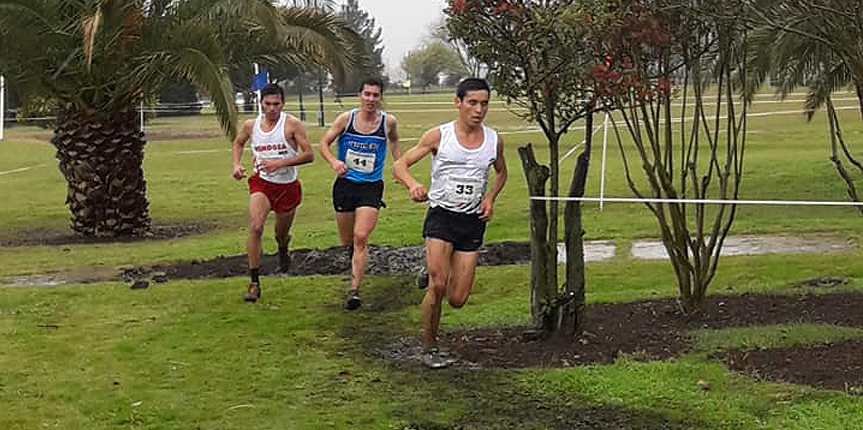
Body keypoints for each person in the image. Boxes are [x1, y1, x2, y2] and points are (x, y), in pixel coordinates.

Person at [392, 78, 507, 368]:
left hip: (471, 221)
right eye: (472, 102)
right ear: (458, 102)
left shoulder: (494, 140)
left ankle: (429, 268)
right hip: (441, 216)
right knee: (439, 285)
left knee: (457, 298)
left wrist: (490, 198)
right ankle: (430, 347)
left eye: (484, 103)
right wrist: (413, 185)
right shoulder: (438, 136)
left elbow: (502, 173)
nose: (478, 109)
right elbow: (399, 165)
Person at [318, 77, 402, 310]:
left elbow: (394, 141)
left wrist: (399, 165)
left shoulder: (388, 122)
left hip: (371, 187)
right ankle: (353, 258)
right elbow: (323, 143)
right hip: (345, 186)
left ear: (381, 98)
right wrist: (335, 162)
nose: (371, 99)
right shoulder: (347, 119)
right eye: (367, 94)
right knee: (348, 241)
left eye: (375, 95)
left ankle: (354, 290)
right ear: (359, 95)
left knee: (361, 237)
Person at [231, 83, 313, 302]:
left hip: (287, 186)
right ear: (261, 104)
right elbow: (238, 143)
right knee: (256, 226)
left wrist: (281, 163)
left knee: (280, 233)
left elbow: (309, 155)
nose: (272, 109)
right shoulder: (251, 125)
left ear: (283, 104)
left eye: (276, 104)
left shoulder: (292, 125)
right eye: (268, 104)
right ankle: (254, 282)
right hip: (262, 184)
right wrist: (236, 165)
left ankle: (283, 247)